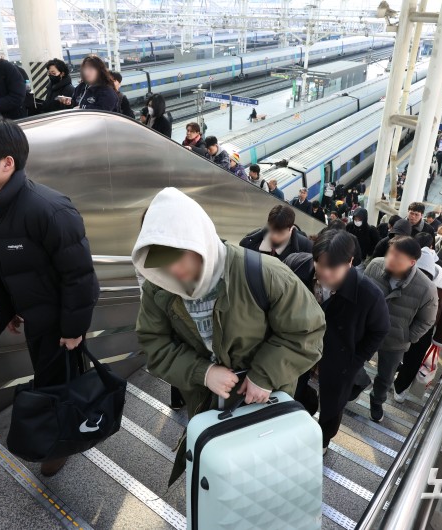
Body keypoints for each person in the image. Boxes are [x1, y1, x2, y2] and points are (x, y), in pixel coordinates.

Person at [133, 187, 325, 483]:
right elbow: (154, 345)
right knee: (219, 475)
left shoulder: (265, 273)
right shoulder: (158, 289)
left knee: (264, 473)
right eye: (162, 259)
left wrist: (264, 375)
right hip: (204, 403)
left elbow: (308, 332)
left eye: (179, 255)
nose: (175, 270)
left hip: (264, 398)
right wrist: (204, 373)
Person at [0, 118, 99, 476]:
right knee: (49, 379)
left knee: (57, 383)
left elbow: (80, 277)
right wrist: (11, 309)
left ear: (7, 163)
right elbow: (5, 266)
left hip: (57, 324)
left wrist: (73, 328)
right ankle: (59, 433)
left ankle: (61, 443)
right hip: (34, 316)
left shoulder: (48, 209)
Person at [293, 231, 389, 453]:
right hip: (300, 350)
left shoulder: (368, 294)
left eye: (333, 268)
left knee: (332, 406)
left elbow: (380, 329)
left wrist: (355, 360)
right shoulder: (300, 268)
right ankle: (296, 424)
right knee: (295, 389)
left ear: (350, 262)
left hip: (338, 359)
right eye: (319, 263)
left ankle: (323, 440)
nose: (324, 272)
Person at [362, 237, 438, 421]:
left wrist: (407, 336)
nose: (390, 259)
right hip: (366, 331)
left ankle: (377, 401)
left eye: (397, 257)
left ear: (412, 262)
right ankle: (351, 389)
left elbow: (427, 321)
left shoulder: (426, 289)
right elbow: (361, 291)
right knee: (353, 362)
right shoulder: (375, 266)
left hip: (395, 341)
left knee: (386, 377)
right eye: (390, 253)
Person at [393, 244, 442, 402]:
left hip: (425, 328)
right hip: (400, 319)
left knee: (413, 360)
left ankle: (400, 387)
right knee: (393, 352)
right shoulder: (403, 272)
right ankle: (390, 376)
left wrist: (440, 340)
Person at [240, 204, 313, 258]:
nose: (274, 236)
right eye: (271, 230)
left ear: (291, 228)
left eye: (280, 233)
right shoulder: (251, 241)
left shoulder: (306, 248)